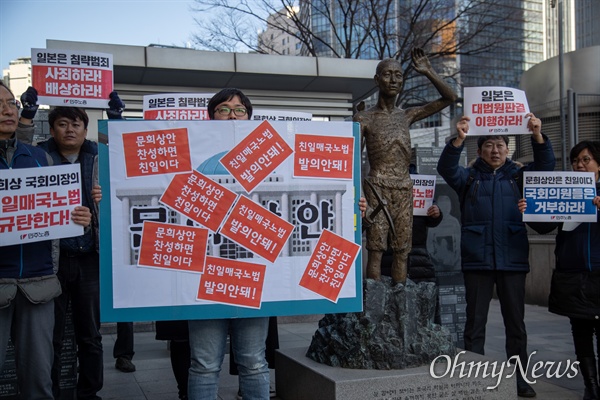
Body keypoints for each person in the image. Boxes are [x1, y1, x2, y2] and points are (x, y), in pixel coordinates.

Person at [17, 88, 128, 397]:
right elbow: (20, 142)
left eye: (76, 124)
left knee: (90, 335)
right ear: (52, 129)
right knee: (50, 336)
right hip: (51, 259)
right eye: (62, 124)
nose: (70, 130)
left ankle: (89, 392)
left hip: (90, 257)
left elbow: (123, 150)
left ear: (85, 127)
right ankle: (50, 390)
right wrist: (28, 112)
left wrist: (116, 117)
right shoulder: (40, 155)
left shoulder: (98, 153)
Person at [436, 114, 555, 398]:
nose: (495, 150)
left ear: (508, 148)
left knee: (516, 324)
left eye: (500, 144)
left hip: (512, 259)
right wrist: (459, 139)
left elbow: (547, 167)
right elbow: (446, 168)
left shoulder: (518, 175)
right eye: (489, 144)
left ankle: (521, 380)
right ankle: (473, 380)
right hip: (477, 259)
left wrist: (538, 135)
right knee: (474, 324)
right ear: (479, 150)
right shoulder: (469, 176)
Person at [0, 81, 91, 399]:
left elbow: (62, 213)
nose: (6, 109)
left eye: (10, 103)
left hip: (39, 281)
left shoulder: (39, 158)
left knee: (38, 379)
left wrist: (81, 219)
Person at [187, 88, 270, 400]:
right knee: (205, 364)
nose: (232, 115)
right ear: (211, 117)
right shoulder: (201, 161)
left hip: (254, 275)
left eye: (239, 109)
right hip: (206, 272)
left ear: (249, 117)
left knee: (253, 362)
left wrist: (349, 205)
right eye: (223, 109)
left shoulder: (269, 160)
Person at [354, 49, 457, 284]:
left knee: (402, 249)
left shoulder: (407, 115)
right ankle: (375, 305)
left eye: (398, 75)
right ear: (377, 79)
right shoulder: (365, 118)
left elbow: (450, 97)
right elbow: (353, 161)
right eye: (388, 74)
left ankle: (401, 302)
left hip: (403, 187)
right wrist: (361, 199)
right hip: (377, 187)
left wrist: (428, 71)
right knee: (377, 249)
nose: (393, 80)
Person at [527, 140, 600, 400]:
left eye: (586, 160)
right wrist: (530, 211)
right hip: (572, 275)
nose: (579, 165)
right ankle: (591, 387)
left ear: (598, 165)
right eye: (575, 161)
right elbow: (546, 227)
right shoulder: (565, 191)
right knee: (581, 334)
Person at [380, 164, 443, 284]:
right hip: (390, 250)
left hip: (417, 251)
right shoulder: (382, 180)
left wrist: (436, 213)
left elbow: (430, 216)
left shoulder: (419, 182)